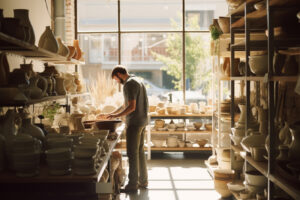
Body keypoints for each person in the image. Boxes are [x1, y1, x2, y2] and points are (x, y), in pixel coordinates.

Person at [98, 65, 149, 193]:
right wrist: (112, 114)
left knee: (132, 154)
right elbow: (125, 104)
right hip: (143, 121)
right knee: (140, 152)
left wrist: (116, 116)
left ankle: (132, 185)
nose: (117, 82)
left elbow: (131, 107)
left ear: (119, 74)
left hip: (134, 123)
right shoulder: (138, 80)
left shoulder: (128, 84)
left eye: (116, 79)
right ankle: (143, 181)